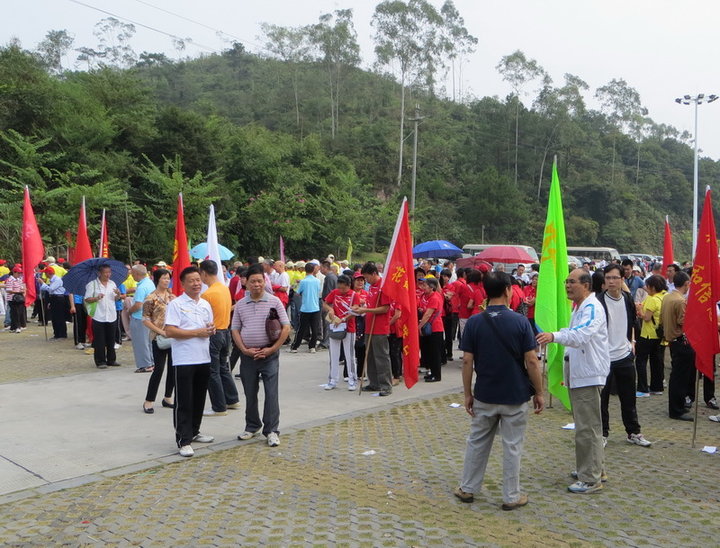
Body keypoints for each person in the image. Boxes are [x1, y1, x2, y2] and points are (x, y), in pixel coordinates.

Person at [454, 271, 544, 510]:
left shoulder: (474, 322)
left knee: (477, 442)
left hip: (485, 393)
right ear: (508, 290)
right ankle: (511, 495)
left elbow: (467, 362)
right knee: (512, 446)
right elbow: (532, 361)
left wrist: (467, 394)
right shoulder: (521, 322)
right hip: (514, 395)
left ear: (485, 291)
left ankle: (467, 488)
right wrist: (540, 392)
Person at [537, 268, 610, 494]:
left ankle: (590, 478)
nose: (568, 286)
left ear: (586, 285)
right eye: (566, 282)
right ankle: (594, 468)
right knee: (586, 426)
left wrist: (554, 336)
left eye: (572, 282)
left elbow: (580, 335)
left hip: (588, 374)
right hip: (580, 373)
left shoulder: (592, 307)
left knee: (588, 428)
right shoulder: (579, 306)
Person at [231, 264, 290, 447]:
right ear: (246, 284)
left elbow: (286, 327)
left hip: (269, 354)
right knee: (250, 392)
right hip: (248, 355)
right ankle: (252, 425)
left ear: (265, 282)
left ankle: (272, 430)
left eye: (260, 281)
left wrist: (272, 349)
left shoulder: (274, 301)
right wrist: (244, 350)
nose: (257, 284)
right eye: (252, 281)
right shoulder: (240, 304)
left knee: (271, 393)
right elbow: (235, 329)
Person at [164, 266, 216, 457]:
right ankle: (183, 439)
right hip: (184, 359)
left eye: (198, 280)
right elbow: (170, 331)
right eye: (191, 281)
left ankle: (195, 431)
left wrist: (211, 329)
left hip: (203, 357)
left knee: (199, 397)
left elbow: (209, 326)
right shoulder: (176, 304)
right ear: (183, 284)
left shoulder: (204, 304)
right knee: (184, 400)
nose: (196, 284)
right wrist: (197, 332)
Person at [597, 264, 651, 447]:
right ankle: (603, 433)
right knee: (602, 400)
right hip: (604, 358)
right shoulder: (598, 302)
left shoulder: (627, 298)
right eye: (608, 278)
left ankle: (634, 432)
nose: (611, 281)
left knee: (629, 398)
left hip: (625, 355)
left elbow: (632, 323)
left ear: (622, 280)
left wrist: (632, 343)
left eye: (615, 278)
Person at [199, 259, 241, 416]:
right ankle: (232, 398)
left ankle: (218, 406)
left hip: (214, 334)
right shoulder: (224, 289)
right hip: (225, 331)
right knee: (223, 367)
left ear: (203, 273)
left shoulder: (207, 294)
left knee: (213, 371)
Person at [351, 262, 393, 396]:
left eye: (367, 277)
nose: (366, 281)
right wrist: (360, 308)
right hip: (369, 325)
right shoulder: (372, 287)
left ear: (374, 274)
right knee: (370, 356)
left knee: (381, 357)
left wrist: (366, 309)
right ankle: (374, 383)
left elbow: (385, 308)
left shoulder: (383, 287)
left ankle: (386, 385)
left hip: (380, 327)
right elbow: (370, 303)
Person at [661, 271, 695, 421]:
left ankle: (676, 407)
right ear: (686, 284)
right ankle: (677, 410)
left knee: (676, 376)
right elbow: (684, 322)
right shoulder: (681, 301)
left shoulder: (667, 297)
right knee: (680, 378)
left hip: (672, 340)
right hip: (681, 340)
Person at [142, 268, 176, 413]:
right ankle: (148, 400)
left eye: (168, 278)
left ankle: (168, 397)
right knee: (159, 369)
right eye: (164, 278)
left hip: (173, 336)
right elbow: (145, 319)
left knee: (173, 368)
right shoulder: (151, 298)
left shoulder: (172, 296)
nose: (166, 281)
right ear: (157, 280)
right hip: (159, 337)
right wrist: (161, 331)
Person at [322, 274, 360, 390]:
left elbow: (356, 311)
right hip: (335, 326)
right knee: (334, 355)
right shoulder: (334, 292)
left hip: (349, 328)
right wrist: (331, 309)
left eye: (344, 288)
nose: (341, 290)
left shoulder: (354, 295)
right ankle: (333, 380)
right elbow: (325, 303)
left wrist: (343, 319)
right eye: (340, 288)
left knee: (350, 356)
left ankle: (352, 380)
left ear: (349, 286)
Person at [634, 275, 667, 397]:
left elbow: (646, 318)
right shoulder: (664, 296)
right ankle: (657, 387)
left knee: (641, 361)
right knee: (656, 361)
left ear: (652, 287)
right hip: (659, 334)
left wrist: (639, 311)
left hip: (648, 334)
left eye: (647, 286)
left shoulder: (652, 299)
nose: (646, 288)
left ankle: (642, 389)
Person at [84, 265, 122, 369]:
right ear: (99, 273)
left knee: (111, 338)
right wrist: (96, 298)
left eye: (109, 272)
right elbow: (87, 299)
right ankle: (100, 361)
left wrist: (118, 294)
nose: (108, 274)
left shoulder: (112, 283)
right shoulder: (93, 284)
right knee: (99, 339)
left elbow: (116, 299)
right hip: (99, 315)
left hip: (111, 314)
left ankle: (111, 359)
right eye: (105, 272)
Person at [128, 264, 155, 373]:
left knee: (140, 342)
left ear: (137, 274)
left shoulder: (142, 287)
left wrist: (129, 310)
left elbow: (138, 304)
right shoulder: (150, 283)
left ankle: (145, 364)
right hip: (149, 316)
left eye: (133, 273)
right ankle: (151, 362)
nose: (132, 275)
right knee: (148, 342)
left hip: (139, 317)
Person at [290, 262, 322, 353]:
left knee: (301, 328)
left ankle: (295, 347)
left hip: (305, 308)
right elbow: (318, 291)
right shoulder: (317, 281)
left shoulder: (303, 281)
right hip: (315, 307)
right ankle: (312, 347)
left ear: (305, 270)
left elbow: (298, 293)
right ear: (313, 270)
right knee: (314, 328)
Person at [418, 277, 444, 382]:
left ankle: (436, 375)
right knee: (429, 351)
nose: (423, 287)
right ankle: (432, 372)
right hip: (429, 327)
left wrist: (419, 327)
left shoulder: (435, 297)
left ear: (432, 287)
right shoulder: (427, 296)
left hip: (435, 328)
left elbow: (428, 314)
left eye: (425, 285)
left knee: (435, 353)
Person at [40, 266, 68, 340]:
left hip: (59, 299)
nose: (45, 275)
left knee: (59, 317)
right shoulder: (52, 280)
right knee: (54, 317)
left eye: (45, 273)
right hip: (54, 298)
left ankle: (62, 334)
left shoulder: (57, 280)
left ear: (48, 273)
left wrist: (43, 284)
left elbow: (51, 289)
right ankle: (57, 334)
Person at [5, 266, 26, 333]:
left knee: (19, 313)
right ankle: (17, 327)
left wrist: (22, 291)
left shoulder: (19, 279)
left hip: (19, 298)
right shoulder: (10, 280)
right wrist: (19, 292)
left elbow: (21, 287)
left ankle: (13, 327)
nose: (19, 274)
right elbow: (9, 290)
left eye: (20, 273)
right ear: (14, 272)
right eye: (18, 273)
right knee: (15, 313)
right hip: (12, 299)